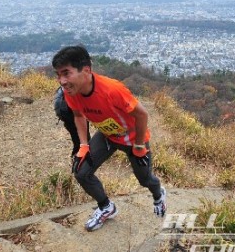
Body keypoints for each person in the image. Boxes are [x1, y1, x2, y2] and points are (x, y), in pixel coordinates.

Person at [52, 45, 166, 232]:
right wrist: (83, 145)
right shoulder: (70, 92)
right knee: (82, 172)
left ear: (86, 70)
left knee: (145, 179)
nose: (62, 81)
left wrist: (138, 145)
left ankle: (158, 194)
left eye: (66, 73)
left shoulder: (112, 90)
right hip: (107, 135)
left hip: (132, 139)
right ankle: (106, 207)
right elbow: (78, 116)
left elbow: (142, 115)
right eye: (58, 75)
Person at [54, 86, 90, 157]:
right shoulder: (76, 86)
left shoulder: (70, 84)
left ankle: (80, 154)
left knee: (77, 136)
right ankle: (80, 158)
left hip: (61, 106)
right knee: (81, 137)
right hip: (66, 109)